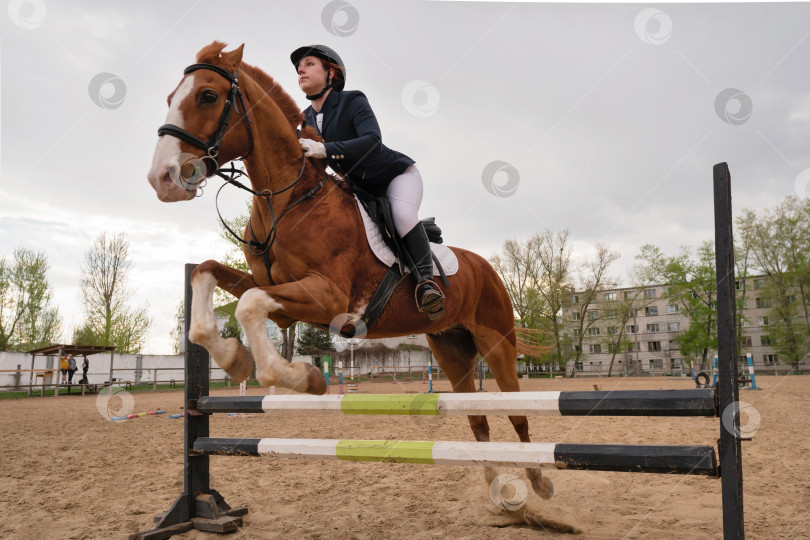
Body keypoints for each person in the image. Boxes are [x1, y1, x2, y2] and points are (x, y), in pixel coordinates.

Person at [291, 44, 445, 320]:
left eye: (310, 63)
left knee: (401, 213)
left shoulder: (353, 101)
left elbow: (373, 140)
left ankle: (426, 283)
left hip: (395, 177)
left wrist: (325, 149)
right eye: (299, 66)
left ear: (331, 73)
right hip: (360, 188)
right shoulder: (305, 118)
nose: (301, 69)